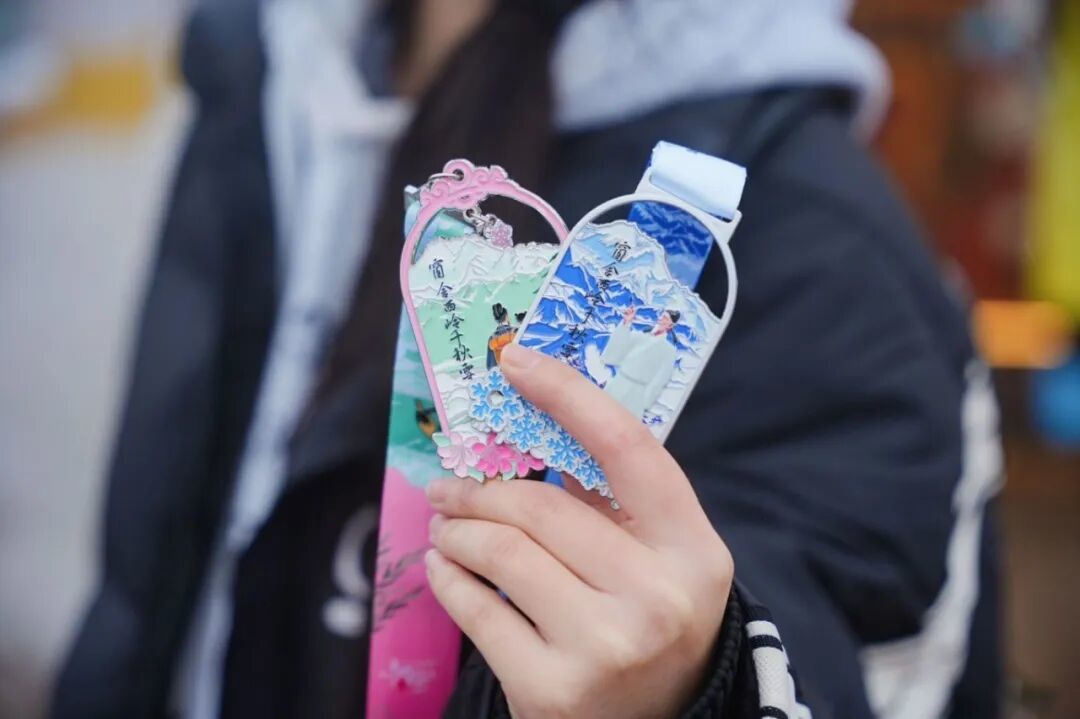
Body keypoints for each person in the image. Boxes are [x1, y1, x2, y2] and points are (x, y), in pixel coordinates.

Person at [54, 1, 1003, 718]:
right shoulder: (265, 78)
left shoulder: (814, 237)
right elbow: (156, 560)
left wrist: (691, 687)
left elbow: (824, 629)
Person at [600, 306, 679, 419]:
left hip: (637, 392)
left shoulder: (668, 350)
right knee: (600, 412)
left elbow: (661, 377)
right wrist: (627, 322)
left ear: (670, 326)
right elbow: (621, 346)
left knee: (623, 421)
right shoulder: (640, 336)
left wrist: (646, 400)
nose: (661, 319)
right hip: (619, 381)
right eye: (662, 316)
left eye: (665, 318)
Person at [486, 302, 517, 368]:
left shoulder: (492, 337)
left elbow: (490, 365)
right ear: (506, 316)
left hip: (502, 369)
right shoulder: (515, 331)